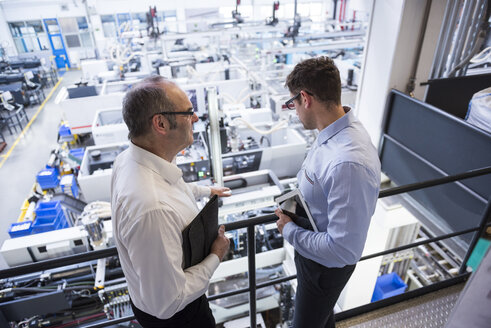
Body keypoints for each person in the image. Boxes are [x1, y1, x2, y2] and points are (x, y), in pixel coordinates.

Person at [111, 75, 231, 328]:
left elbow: (169, 187)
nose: (196, 119)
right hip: (179, 317)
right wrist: (215, 256)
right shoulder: (152, 209)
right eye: (188, 112)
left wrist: (204, 190)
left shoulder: (130, 159)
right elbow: (167, 303)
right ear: (161, 123)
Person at [275, 57, 381, 328]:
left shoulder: (348, 162)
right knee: (322, 320)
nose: (294, 111)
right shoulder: (334, 133)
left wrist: (289, 231)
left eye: (293, 104)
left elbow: (343, 250)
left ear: (306, 98)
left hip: (323, 268)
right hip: (312, 251)